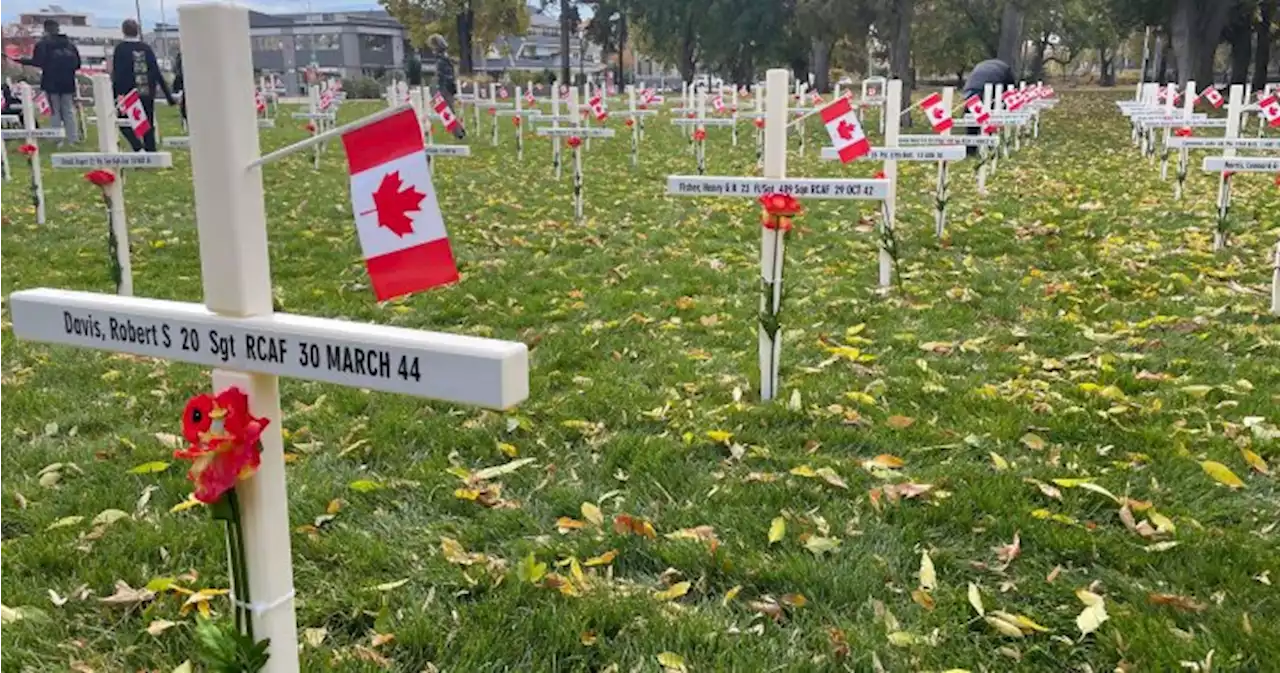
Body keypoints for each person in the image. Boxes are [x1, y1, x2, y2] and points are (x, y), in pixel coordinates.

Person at [9, 19, 81, 145]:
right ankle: (72, 138)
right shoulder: (70, 44)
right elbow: (78, 64)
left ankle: (57, 139)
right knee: (68, 110)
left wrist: (21, 60)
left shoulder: (43, 44)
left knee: (55, 111)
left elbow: (38, 62)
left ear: (46, 29)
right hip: (68, 81)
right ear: (58, 29)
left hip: (51, 81)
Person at [111, 19, 175, 152]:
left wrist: (115, 94)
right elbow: (156, 72)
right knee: (147, 125)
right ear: (138, 31)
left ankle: (138, 147)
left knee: (123, 123)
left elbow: (117, 73)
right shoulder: (146, 48)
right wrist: (168, 96)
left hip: (128, 93)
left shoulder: (120, 49)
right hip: (146, 90)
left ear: (123, 31)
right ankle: (151, 153)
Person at [961, 58, 1016, 155]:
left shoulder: (982, 65)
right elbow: (1010, 89)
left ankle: (970, 150)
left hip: (970, 89)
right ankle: (990, 146)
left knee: (971, 121)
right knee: (990, 120)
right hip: (989, 90)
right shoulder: (1006, 69)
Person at [428, 33, 465, 140]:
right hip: (446, 87)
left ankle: (459, 134)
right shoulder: (444, 58)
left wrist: (439, 88)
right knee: (448, 111)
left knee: (447, 112)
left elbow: (444, 76)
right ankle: (459, 131)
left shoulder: (442, 60)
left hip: (444, 88)